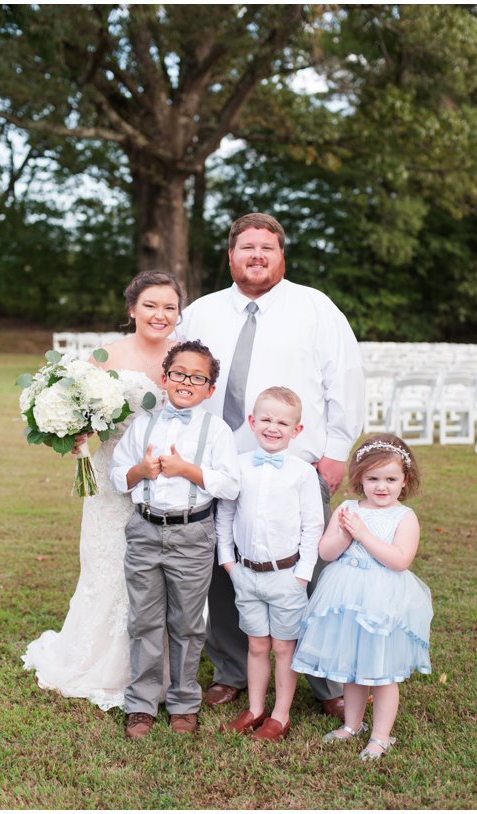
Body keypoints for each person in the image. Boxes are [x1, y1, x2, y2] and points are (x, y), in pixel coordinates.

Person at [177, 213, 365, 717]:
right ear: (230, 256)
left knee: (310, 568)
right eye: (247, 247)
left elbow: (345, 380)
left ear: (282, 255)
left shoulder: (315, 308)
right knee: (224, 569)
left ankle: (325, 681)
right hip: (217, 463)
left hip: (296, 466)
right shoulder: (201, 312)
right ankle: (231, 669)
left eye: (267, 247)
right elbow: (175, 375)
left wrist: (336, 452)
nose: (256, 255)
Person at [23, 271, 180, 710]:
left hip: (169, 479)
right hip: (114, 478)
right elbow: (82, 411)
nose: (160, 315)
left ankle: (157, 667)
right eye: (151, 305)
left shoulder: (185, 354)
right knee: (108, 564)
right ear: (132, 309)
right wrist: (71, 432)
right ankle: (104, 666)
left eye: (170, 307)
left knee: (160, 572)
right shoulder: (105, 357)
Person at [110, 340, 240, 737]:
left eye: (197, 378)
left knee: (186, 623)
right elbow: (118, 476)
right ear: (165, 378)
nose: (186, 382)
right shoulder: (143, 425)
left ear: (209, 389)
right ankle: (142, 703)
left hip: (192, 534)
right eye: (179, 374)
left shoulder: (216, 430)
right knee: (144, 620)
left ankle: (184, 702)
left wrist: (188, 470)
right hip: (145, 530)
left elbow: (231, 485)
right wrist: (141, 471)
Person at [292, 434, 431, 760]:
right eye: (373, 479)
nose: (381, 487)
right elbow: (326, 552)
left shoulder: (404, 517)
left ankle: (380, 736)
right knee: (352, 668)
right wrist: (345, 532)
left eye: (390, 479)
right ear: (360, 479)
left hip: (383, 600)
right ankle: (352, 725)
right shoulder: (347, 509)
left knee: (382, 673)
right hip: (346, 597)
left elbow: (400, 560)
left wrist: (363, 534)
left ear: (404, 480)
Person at [215, 387, 323, 742]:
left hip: (286, 576)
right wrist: (228, 562)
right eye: (266, 419)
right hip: (246, 573)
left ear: (297, 430)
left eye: (282, 422)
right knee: (257, 645)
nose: (273, 427)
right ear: (252, 421)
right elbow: (225, 514)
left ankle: (280, 715)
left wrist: (302, 575)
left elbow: (313, 526)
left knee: (282, 647)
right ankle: (255, 708)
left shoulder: (302, 473)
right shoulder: (239, 465)